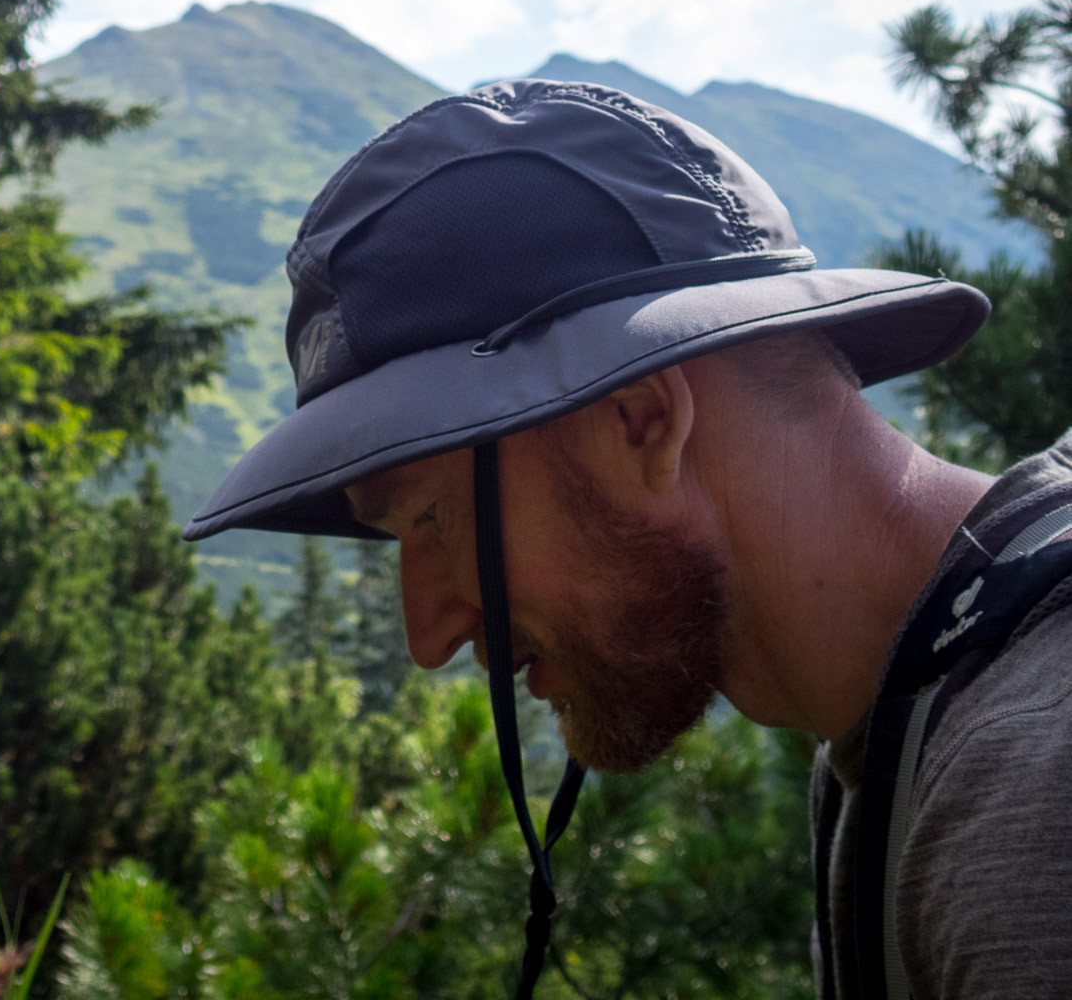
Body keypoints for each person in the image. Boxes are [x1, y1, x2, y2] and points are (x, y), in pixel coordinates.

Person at [184, 79, 1072, 1000]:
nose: (430, 634)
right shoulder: (911, 723)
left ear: (641, 422)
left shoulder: (1035, 792)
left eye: (433, 519)